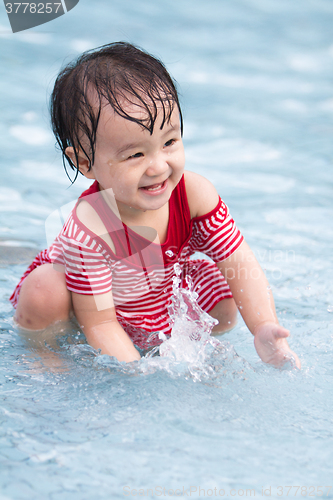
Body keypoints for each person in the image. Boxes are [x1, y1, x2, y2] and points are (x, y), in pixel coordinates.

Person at [10, 42, 300, 368]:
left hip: (154, 288)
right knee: (45, 289)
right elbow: (101, 325)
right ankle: (43, 355)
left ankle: (151, 333)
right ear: (85, 163)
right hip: (90, 306)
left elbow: (239, 259)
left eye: (169, 142)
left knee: (224, 295)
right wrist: (140, 379)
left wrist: (262, 327)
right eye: (135, 154)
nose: (158, 166)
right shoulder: (89, 229)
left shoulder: (194, 195)